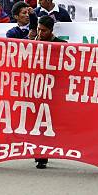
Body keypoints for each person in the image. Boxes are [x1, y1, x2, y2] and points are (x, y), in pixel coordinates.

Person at [32, 15, 66, 169]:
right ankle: (39, 153)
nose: (40, 33)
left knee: (48, 124)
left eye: (43, 31)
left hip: (54, 92)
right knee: (37, 122)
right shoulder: (32, 44)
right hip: (36, 90)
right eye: (39, 29)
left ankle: (43, 153)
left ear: (51, 31)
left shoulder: (61, 45)